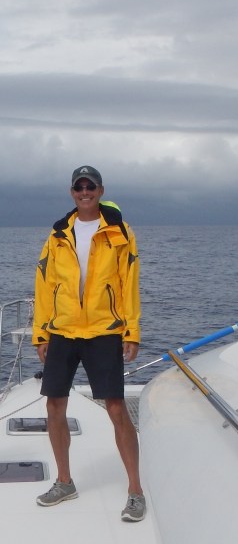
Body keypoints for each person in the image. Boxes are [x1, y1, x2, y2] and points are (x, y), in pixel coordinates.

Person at [32, 165, 146, 523]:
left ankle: (135, 490)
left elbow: (129, 284)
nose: (85, 191)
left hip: (104, 329)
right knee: (54, 406)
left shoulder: (120, 233)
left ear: (100, 190)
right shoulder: (56, 236)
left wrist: (132, 331)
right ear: (72, 192)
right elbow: (43, 285)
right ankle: (64, 482)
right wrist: (41, 333)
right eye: (79, 187)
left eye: (90, 186)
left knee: (115, 408)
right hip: (63, 331)